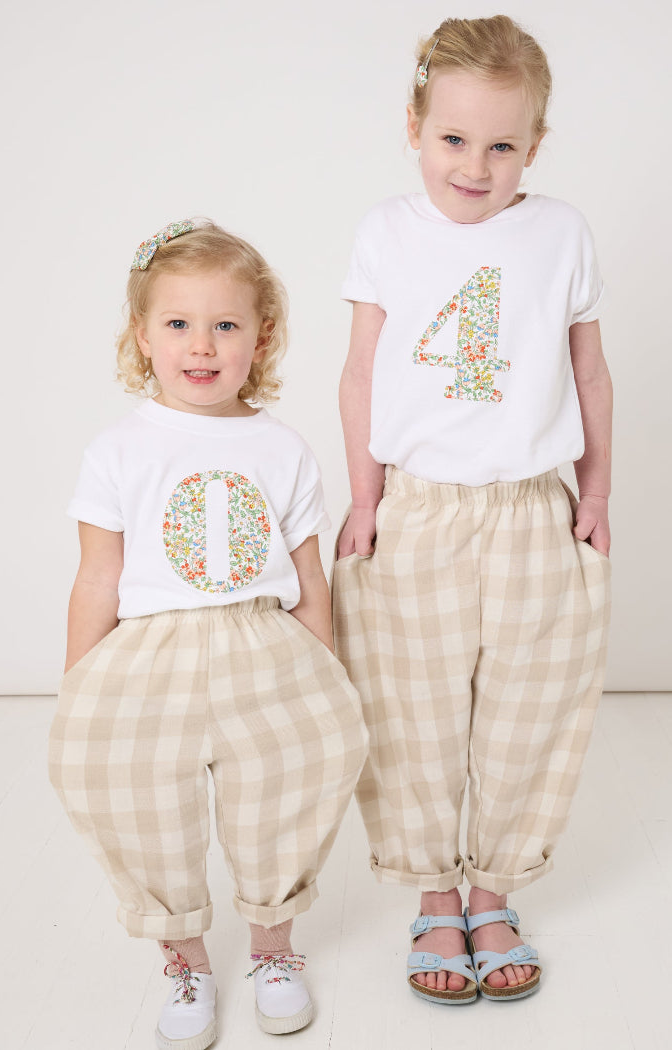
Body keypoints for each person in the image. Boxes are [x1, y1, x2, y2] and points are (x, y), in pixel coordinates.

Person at [333, 14, 611, 1005]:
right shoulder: (386, 233)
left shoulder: (559, 232)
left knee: (525, 707)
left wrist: (596, 490)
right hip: (418, 511)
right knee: (411, 706)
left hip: (532, 508)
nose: (475, 164)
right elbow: (361, 373)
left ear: (533, 146)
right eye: (454, 138)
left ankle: (491, 892)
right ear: (414, 126)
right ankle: (431, 893)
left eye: (502, 145)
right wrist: (363, 497)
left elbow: (588, 371)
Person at [49, 219, 367, 1049]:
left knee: (282, 795)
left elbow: (308, 575)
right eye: (179, 324)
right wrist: (81, 682)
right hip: (151, 651)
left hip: (262, 645)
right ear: (142, 337)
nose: (203, 345)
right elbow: (98, 576)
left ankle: (273, 949)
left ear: (260, 338)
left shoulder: (282, 448)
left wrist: (322, 667)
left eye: (226, 324)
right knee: (146, 805)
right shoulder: (119, 450)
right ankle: (184, 959)